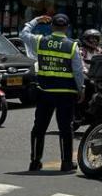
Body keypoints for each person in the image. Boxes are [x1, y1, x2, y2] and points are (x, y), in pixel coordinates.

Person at [21, 13, 84, 172]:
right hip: (66, 93)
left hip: (45, 91)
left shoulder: (40, 41)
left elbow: (23, 34)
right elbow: (77, 71)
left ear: (51, 26)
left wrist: (36, 20)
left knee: (39, 128)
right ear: (67, 28)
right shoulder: (72, 46)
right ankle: (66, 163)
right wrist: (81, 89)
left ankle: (35, 162)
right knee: (65, 129)